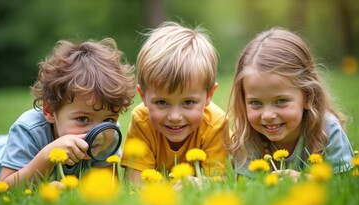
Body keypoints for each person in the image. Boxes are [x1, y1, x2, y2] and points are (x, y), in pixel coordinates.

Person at [0, 38, 136, 187]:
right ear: (50, 111)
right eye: (83, 119)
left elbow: (108, 187)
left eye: (108, 120)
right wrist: (47, 156)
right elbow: (5, 187)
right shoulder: (28, 129)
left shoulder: (108, 134)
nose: (97, 134)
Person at [228, 27, 354, 179]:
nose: (267, 115)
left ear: (308, 96)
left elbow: (344, 184)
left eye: (281, 101)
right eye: (255, 103)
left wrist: (305, 180)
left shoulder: (327, 130)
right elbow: (245, 187)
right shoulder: (248, 137)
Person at [121, 21, 230, 184]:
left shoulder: (216, 124)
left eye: (187, 102)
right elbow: (134, 185)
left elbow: (220, 182)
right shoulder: (141, 121)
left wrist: (199, 184)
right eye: (162, 102)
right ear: (143, 96)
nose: (174, 116)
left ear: (209, 95)